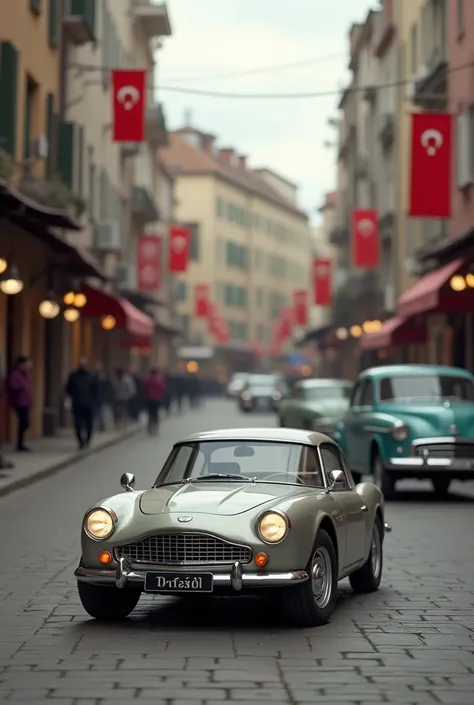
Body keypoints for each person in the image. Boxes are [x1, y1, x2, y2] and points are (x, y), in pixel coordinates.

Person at [66, 358, 98, 450]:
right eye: (81, 364)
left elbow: (95, 391)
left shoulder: (91, 376)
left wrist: (94, 402)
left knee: (89, 424)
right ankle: (80, 441)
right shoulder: (73, 376)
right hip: (77, 404)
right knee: (78, 424)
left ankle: (87, 440)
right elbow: (68, 389)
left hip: (89, 405)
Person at [6, 355, 33, 452]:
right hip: (19, 403)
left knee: (25, 423)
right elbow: (13, 386)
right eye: (27, 363)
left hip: (25, 402)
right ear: (21, 364)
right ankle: (20, 444)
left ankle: (21, 443)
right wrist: (21, 387)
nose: (29, 365)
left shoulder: (24, 374)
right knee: (24, 423)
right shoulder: (16, 374)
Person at [143, 367, 166, 434]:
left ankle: (150, 425)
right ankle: (155, 425)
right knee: (156, 413)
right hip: (157, 398)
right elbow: (163, 389)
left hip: (149, 398)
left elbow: (144, 389)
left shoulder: (147, 379)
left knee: (150, 413)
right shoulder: (160, 379)